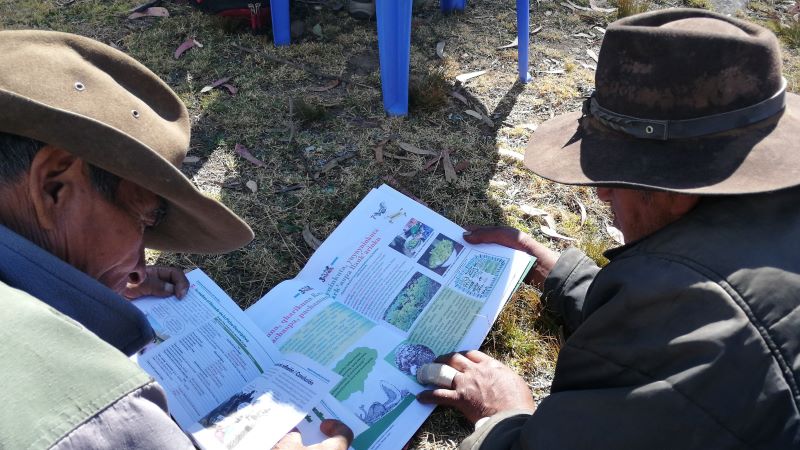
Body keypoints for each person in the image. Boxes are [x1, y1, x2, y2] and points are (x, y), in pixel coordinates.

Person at [416, 9, 800, 449]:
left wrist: (503, 413)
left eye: (612, 176)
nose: (600, 196)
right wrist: (562, 275)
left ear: (675, 187)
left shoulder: (704, 321)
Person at [0, 30, 352, 449]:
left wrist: (86, 284)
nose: (139, 262)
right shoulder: (101, 417)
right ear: (55, 185)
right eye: (142, 220)